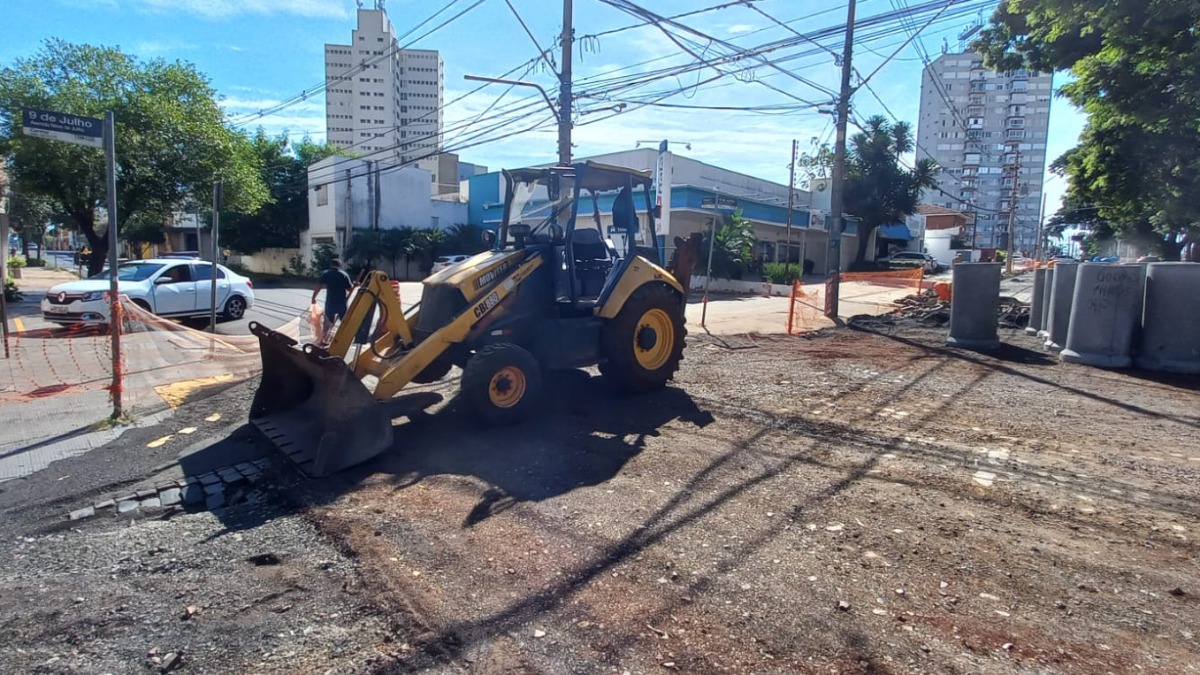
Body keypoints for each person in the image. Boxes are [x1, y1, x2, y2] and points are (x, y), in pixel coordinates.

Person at [311, 259, 353, 344]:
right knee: (344, 321)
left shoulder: (327, 273)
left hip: (330, 301)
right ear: (340, 266)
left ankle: (323, 340)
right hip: (342, 302)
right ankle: (346, 339)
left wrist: (313, 297)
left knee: (328, 321)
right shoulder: (344, 274)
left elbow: (319, 286)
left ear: (331, 265)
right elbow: (350, 289)